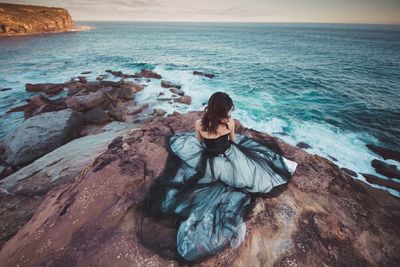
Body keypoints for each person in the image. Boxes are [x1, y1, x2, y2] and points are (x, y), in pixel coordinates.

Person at [140, 92, 298, 262]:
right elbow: (233, 141)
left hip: (207, 161)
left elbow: (199, 142)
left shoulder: (200, 123)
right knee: (254, 172)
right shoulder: (229, 122)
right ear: (225, 109)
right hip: (227, 158)